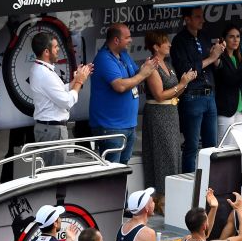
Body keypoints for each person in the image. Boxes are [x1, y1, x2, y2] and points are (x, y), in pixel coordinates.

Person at [143, 30, 196, 213]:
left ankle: (168, 197)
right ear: (156, 46)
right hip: (158, 115)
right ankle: (161, 200)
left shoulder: (168, 64)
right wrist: (181, 85)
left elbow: (175, 91)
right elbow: (159, 95)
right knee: (162, 155)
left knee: (173, 154)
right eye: (166, 42)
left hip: (171, 112)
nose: (169, 45)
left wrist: (184, 82)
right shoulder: (152, 66)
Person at [89, 23, 157, 164]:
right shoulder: (104, 58)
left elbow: (134, 76)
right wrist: (143, 74)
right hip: (111, 127)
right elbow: (119, 86)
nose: (131, 40)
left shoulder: (123, 55)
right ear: (116, 40)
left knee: (123, 168)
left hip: (128, 125)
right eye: (127, 37)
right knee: (113, 173)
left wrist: (145, 69)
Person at [171, 6, 225, 173]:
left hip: (210, 95)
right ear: (187, 19)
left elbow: (215, 66)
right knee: (192, 146)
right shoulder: (179, 41)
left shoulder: (204, 37)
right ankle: (189, 185)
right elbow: (186, 70)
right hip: (192, 96)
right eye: (197, 17)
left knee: (211, 147)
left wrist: (218, 56)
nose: (202, 20)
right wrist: (211, 58)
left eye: (202, 16)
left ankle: (211, 184)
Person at [29, 32, 92, 167]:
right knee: (54, 174)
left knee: (50, 173)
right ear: (46, 52)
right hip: (52, 131)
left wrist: (75, 80)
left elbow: (57, 91)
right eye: (56, 47)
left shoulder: (41, 69)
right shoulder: (44, 73)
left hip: (49, 130)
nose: (58, 50)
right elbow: (67, 101)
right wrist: (79, 82)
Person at [214, 23, 242, 142]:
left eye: (238, 36)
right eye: (231, 37)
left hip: (238, 107)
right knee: (224, 145)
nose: (235, 40)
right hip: (225, 109)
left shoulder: (236, 57)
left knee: (237, 144)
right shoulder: (220, 58)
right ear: (224, 39)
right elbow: (230, 80)